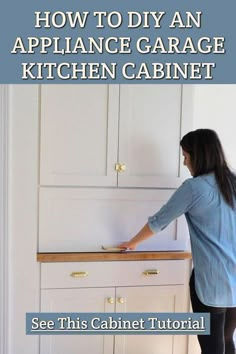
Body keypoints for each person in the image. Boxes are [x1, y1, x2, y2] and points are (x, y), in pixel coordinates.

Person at [119, 129, 236, 354]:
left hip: (211, 280)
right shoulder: (232, 183)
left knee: (212, 348)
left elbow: (159, 221)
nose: (184, 163)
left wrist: (133, 242)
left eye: (185, 156)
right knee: (227, 339)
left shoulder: (193, 188)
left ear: (198, 155)